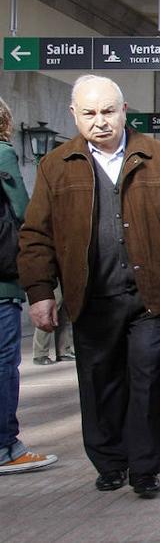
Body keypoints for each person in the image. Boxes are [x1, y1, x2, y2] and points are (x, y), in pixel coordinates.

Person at [19, 75, 160, 497]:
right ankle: (110, 462)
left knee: (145, 378)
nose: (100, 121)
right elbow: (37, 235)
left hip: (152, 297)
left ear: (124, 110)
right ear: (73, 115)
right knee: (99, 382)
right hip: (91, 297)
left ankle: (145, 468)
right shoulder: (56, 165)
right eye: (89, 113)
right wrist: (40, 293)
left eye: (108, 111)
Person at [0, 96, 57, 475]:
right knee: (3, 364)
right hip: (1, 285)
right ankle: (7, 446)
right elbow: (25, 213)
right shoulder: (2, 154)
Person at [30, 286, 73, 365]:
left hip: (65, 275)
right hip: (52, 277)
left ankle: (63, 351)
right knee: (47, 312)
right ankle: (40, 354)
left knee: (64, 312)